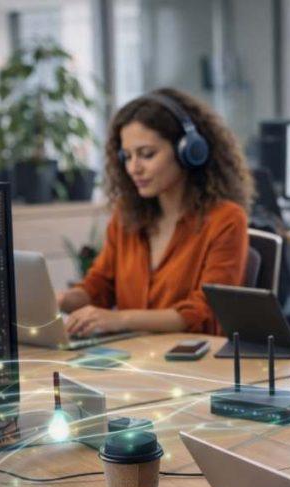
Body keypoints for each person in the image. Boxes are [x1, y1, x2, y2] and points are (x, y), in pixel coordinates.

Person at [57, 88, 253, 336]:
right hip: (137, 359)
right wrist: (63, 299)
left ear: (188, 152)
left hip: (194, 365)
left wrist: (120, 319)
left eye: (147, 154)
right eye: (127, 157)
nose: (133, 168)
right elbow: (100, 286)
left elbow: (203, 310)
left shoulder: (225, 219)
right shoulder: (126, 217)